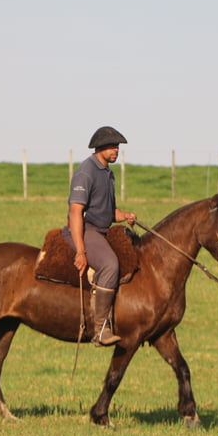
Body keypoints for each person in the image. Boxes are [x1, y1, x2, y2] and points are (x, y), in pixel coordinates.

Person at [64, 126, 137, 346]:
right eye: (112, 146)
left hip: (102, 229)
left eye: (117, 147)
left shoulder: (107, 173)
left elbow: (107, 211)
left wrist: (125, 215)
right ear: (100, 147)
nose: (116, 150)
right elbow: (75, 211)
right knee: (110, 265)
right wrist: (81, 250)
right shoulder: (87, 171)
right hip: (86, 230)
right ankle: (101, 329)